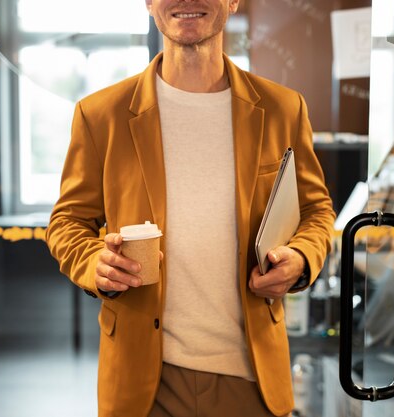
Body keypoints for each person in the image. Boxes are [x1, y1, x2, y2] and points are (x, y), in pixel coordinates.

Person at [46, 0, 335, 415]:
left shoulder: (283, 108)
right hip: (143, 381)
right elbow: (68, 222)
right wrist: (94, 262)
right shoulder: (100, 115)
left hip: (251, 377)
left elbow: (316, 210)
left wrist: (302, 257)